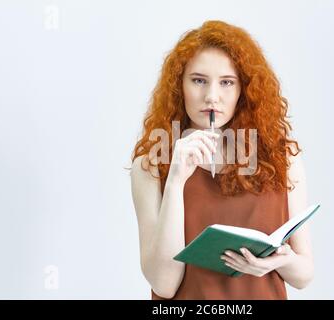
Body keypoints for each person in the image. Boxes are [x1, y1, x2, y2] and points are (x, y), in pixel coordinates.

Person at [128, 20, 314, 300]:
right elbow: (164, 284)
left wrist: (282, 261)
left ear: (243, 90)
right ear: (180, 86)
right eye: (198, 80)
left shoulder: (283, 157)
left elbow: (304, 275)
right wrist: (176, 181)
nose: (211, 96)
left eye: (227, 82)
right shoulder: (151, 164)